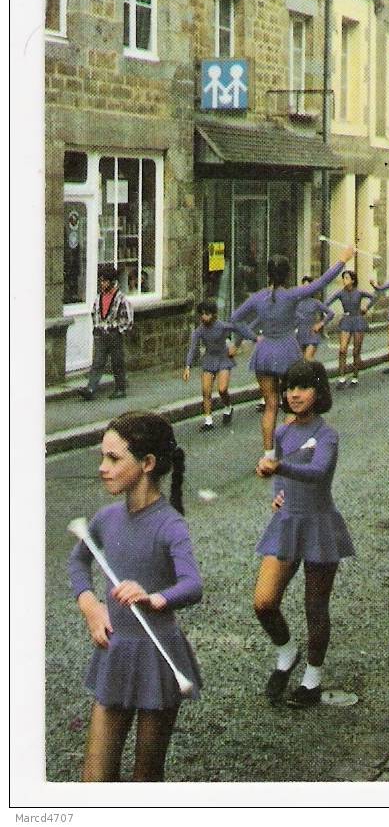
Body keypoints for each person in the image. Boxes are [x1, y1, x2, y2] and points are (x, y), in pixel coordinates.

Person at [68, 412, 202, 781]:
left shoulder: (170, 523)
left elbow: (192, 584)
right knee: (94, 781)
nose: (102, 467)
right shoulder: (106, 519)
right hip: (116, 652)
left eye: (113, 458)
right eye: (102, 457)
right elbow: (78, 562)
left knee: (146, 779)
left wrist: (155, 597)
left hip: (158, 655)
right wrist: (90, 605)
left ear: (146, 464)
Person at [254, 360, 355, 708]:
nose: (294, 395)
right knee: (264, 602)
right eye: (289, 389)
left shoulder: (327, 435)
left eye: (303, 388)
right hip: (288, 522)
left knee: (315, 606)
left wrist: (280, 467)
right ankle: (286, 652)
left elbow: (318, 471)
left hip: (318, 523)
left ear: (319, 392)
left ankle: (312, 679)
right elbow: (281, 475)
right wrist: (277, 492)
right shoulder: (282, 432)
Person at [231, 248, 354, 455]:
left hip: (264, 352)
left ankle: (268, 453)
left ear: (268, 274)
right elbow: (321, 283)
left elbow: (235, 319)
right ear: (287, 274)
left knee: (270, 405)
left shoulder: (258, 297)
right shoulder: (291, 295)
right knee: (291, 405)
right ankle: (288, 449)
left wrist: (254, 337)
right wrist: (342, 260)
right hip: (287, 351)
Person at [183, 299, 255, 431]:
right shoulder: (199, 331)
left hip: (223, 358)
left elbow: (240, 329)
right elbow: (192, 348)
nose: (204, 317)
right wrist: (187, 366)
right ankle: (208, 420)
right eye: (202, 314)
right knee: (206, 391)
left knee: (222, 389)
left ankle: (228, 406)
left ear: (214, 314)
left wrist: (237, 345)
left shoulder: (221, 326)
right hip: (209, 359)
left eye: (207, 314)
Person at [80, 265, 134, 401]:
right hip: (101, 335)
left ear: (112, 282)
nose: (102, 284)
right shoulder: (99, 298)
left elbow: (128, 319)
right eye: (101, 281)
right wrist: (97, 328)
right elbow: (95, 314)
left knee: (117, 362)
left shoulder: (121, 298)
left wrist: (117, 329)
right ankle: (91, 389)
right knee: (97, 362)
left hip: (115, 335)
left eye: (104, 281)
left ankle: (120, 389)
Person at [326, 271, 374, 387]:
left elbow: (374, 297)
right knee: (342, 350)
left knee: (356, 351)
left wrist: (366, 308)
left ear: (352, 280)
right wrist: (327, 312)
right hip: (346, 320)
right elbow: (327, 302)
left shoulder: (359, 292)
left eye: (347, 278)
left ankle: (355, 377)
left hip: (358, 320)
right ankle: (342, 377)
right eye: (343, 278)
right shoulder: (340, 293)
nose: (344, 280)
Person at [291, 282, 335, 364]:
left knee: (308, 359)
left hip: (312, 334)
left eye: (308, 287)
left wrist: (321, 324)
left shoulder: (315, 302)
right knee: (300, 362)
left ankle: (319, 372)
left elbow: (330, 313)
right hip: (299, 335)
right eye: (303, 286)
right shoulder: (296, 302)